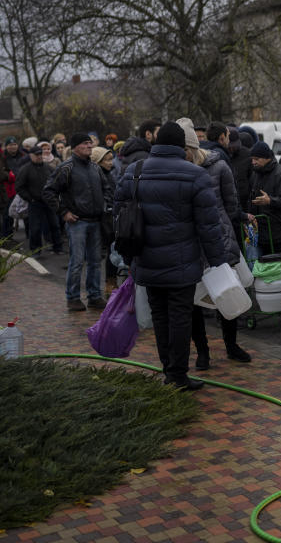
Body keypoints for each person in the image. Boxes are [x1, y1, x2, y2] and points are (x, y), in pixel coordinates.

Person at [115, 122, 226, 390]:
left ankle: (169, 371)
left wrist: (128, 257)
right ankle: (177, 374)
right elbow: (209, 225)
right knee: (180, 318)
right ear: (181, 146)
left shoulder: (134, 171)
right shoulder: (195, 175)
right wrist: (218, 260)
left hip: (146, 259)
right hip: (182, 262)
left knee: (160, 317)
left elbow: (118, 215)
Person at [178, 119, 253, 366]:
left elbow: (232, 205)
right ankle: (202, 352)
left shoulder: (219, 166)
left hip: (219, 238)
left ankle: (232, 345)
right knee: (194, 301)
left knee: (226, 290)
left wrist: (221, 225)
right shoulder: (177, 169)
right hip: (190, 242)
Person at [43, 132, 112, 311]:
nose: (90, 146)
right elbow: (49, 191)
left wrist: (105, 205)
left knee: (96, 262)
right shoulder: (67, 167)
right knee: (77, 261)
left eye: (90, 143)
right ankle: (73, 297)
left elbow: (107, 189)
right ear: (74, 147)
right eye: (85, 143)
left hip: (96, 221)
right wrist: (63, 212)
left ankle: (94, 296)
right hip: (77, 222)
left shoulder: (95, 168)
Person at [246, 141, 281, 256]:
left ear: (267, 158)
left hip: (279, 234)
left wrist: (270, 201)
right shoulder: (256, 174)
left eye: (257, 159)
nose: (253, 162)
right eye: (252, 159)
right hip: (261, 234)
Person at [16, 143, 63, 255]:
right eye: (36, 155)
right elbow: (19, 187)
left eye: (40, 154)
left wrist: (54, 195)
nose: (39, 156)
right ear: (31, 155)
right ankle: (35, 250)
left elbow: (57, 182)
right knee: (35, 228)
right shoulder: (25, 169)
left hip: (49, 202)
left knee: (55, 225)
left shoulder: (48, 168)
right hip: (35, 202)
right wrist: (29, 198)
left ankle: (58, 248)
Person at [90, 146, 118, 293]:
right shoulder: (97, 175)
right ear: (97, 161)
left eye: (111, 159)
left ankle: (110, 282)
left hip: (109, 217)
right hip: (102, 219)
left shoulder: (108, 174)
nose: (110, 163)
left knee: (111, 251)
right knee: (104, 253)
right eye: (107, 160)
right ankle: (107, 284)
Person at [227, 125, 252, 214]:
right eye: (230, 146)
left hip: (245, 204)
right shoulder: (221, 155)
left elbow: (252, 180)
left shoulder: (247, 155)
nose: (232, 148)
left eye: (234, 145)